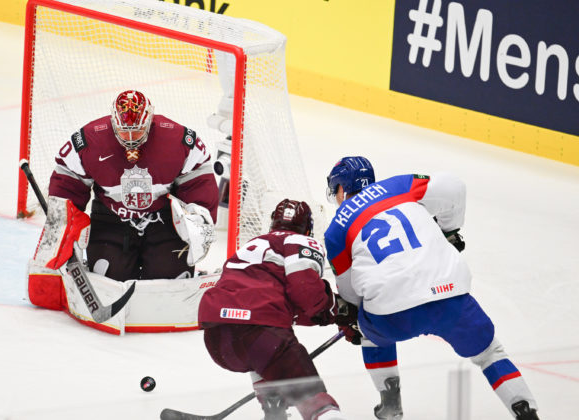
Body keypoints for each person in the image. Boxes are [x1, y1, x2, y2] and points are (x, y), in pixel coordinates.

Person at [323, 156, 540, 420]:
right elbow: (454, 187)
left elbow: (350, 293)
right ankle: (525, 410)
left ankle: (390, 403)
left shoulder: (335, 230)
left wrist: (354, 321)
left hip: (392, 316)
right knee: (490, 353)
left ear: (343, 189)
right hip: (450, 297)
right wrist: (449, 231)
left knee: (368, 328)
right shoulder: (399, 185)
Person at [31, 89, 219, 283]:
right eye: (124, 131)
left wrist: (199, 215)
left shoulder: (178, 139)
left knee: (171, 280)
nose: (130, 139)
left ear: (149, 121)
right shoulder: (89, 140)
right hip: (110, 220)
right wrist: (64, 220)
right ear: (113, 122)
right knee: (107, 277)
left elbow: (199, 179)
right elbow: (67, 181)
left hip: (164, 222)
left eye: (136, 131)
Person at [198, 199, 348, 420]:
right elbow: (306, 293)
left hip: (217, 338)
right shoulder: (301, 241)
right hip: (261, 335)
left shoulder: (253, 244)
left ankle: (273, 406)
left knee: (260, 353)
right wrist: (339, 311)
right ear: (308, 228)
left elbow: (281, 303)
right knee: (317, 405)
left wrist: (329, 314)